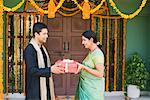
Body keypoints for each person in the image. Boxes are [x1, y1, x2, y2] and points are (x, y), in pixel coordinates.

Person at [24, 22, 65, 100]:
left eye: (47, 33)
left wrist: (54, 66)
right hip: (35, 90)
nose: (47, 36)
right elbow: (32, 70)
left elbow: (44, 66)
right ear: (36, 34)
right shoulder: (30, 49)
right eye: (44, 34)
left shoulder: (42, 48)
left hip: (45, 88)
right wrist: (50, 70)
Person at [75, 30, 105, 100]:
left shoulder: (97, 54)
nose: (82, 42)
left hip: (92, 90)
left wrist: (83, 67)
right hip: (86, 87)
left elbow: (100, 74)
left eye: (84, 40)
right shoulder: (91, 52)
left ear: (91, 40)